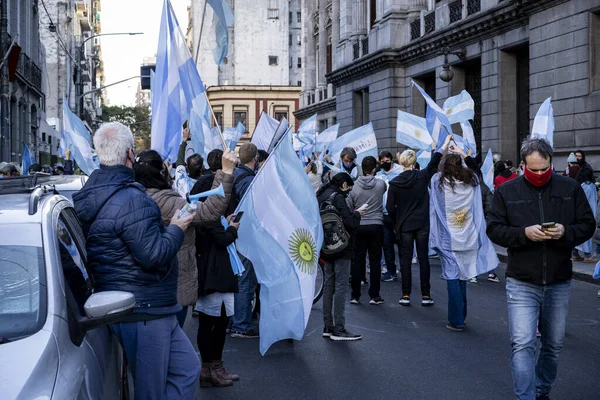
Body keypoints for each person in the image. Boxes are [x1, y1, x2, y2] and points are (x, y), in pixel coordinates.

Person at [72, 122, 201, 399]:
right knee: (150, 391)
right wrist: (177, 227)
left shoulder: (92, 193)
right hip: (143, 309)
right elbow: (154, 255)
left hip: (145, 305)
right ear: (130, 154)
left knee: (187, 368)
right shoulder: (132, 198)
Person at [487, 138, 595, 400]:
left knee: (553, 345)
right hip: (522, 280)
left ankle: (542, 389)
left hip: (558, 279)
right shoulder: (507, 191)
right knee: (523, 343)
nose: (538, 174)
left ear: (551, 163)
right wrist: (524, 234)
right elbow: (494, 229)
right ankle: (526, 397)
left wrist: (565, 232)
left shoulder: (570, 188)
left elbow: (588, 224)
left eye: (543, 169)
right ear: (523, 165)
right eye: (533, 169)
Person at [133, 149, 235, 327]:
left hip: (144, 290)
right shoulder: (168, 202)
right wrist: (226, 172)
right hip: (172, 286)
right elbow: (209, 211)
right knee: (169, 344)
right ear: (161, 173)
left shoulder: (134, 196)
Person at [430, 151, 498, 331]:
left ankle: (456, 320)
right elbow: (476, 171)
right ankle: (461, 315)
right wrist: (465, 155)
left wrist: (440, 152)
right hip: (469, 237)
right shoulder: (472, 181)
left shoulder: (438, 182)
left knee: (452, 277)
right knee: (463, 276)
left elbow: (431, 170)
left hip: (448, 239)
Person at [387, 134, 453, 307]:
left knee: (406, 260)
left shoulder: (394, 183)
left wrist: (396, 222)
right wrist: (445, 143)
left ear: (401, 162)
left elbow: (389, 208)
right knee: (423, 259)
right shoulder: (422, 176)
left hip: (404, 225)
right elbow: (435, 160)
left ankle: (406, 294)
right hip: (422, 223)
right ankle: (426, 295)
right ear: (415, 162)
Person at [191, 171, 240, 388]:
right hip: (214, 274)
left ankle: (215, 367)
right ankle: (209, 369)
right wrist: (231, 228)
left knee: (218, 322)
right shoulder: (207, 214)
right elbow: (221, 239)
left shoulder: (208, 214)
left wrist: (226, 223)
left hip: (217, 274)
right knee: (212, 322)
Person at [317, 172, 363, 340]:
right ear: (344, 185)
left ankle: (327, 326)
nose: (348, 192)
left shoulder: (320, 196)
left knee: (329, 286)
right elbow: (351, 223)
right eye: (348, 189)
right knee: (341, 286)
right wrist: (358, 213)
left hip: (326, 247)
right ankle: (339, 328)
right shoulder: (338, 197)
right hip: (342, 247)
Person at [347, 156, 387, 305]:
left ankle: (355, 295)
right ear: (374, 169)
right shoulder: (380, 184)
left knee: (357, 260)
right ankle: (374, 295)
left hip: (359, 225)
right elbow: (384, 190)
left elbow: (348, 204)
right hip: (376, 225)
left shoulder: (354, 186)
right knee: (375, 261)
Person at [230, 143, 260, 338]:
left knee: (239, 279)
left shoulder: (234, 174)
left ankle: (235, 321)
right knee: (245, 280)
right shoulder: (247, 180)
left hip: (234, 231)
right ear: (255, 158)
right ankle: (240, 325)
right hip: (245, 234)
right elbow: (254, 208)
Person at [376, 151, 403, 282]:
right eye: (382, 162)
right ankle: (391, 270)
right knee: (387, 245)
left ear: (391, 160)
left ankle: (405, 267)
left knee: (402, 244)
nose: (384, 164)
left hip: (398, 214)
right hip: (384, 214)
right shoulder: (378, 175)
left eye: (387, 161)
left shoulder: (400, 172)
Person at [574, 167, 598, 262]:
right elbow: (591, 202)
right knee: (587, 234)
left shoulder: (580, 185)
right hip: (588, 213)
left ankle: (575, 254)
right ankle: (587, 255)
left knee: (578, 233)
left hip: (578, 213)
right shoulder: (590, 186)